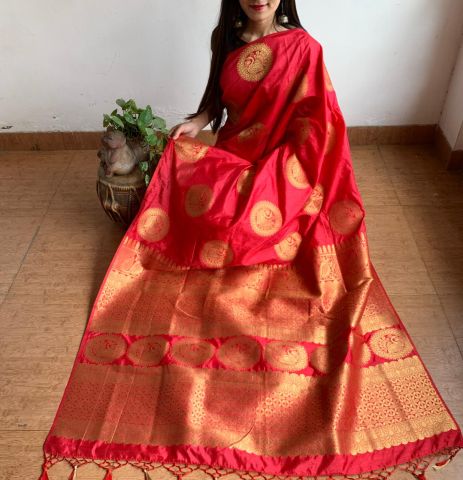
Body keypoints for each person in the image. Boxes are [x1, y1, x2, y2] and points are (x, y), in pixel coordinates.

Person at [39, 1, 463, 479]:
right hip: (235, 155)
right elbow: (215, 103)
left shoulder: (303, 48)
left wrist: (286, 172)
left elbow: (318, 124)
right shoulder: (226, 37)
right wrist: (197, 124)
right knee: (192, 185)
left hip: (284, 167)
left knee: (250, 225)